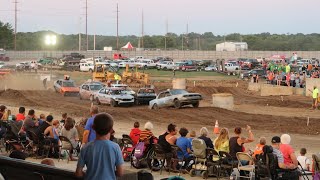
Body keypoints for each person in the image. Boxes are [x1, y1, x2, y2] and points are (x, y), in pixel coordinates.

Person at [75, 113, 124, 180]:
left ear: (93, 127)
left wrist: (89, 174)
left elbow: (78, 173)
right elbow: (120, 173)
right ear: (111, 130)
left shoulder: (85, 148)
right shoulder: (115, 147)